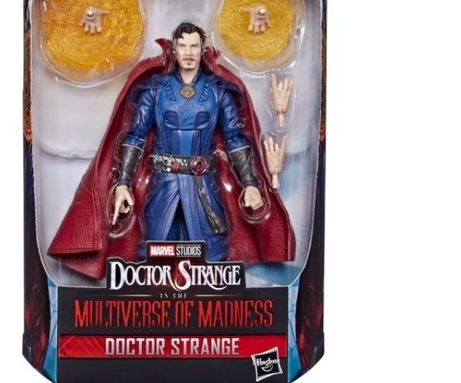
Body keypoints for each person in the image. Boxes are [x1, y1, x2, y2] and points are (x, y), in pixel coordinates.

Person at [48, 22, 294, 278]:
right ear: (174, 49)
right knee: (157, 256)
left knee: (210, 259)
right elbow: (135, 136)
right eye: (183, 46)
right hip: (163, 187)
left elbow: (235, 139)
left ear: (202, 50)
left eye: (194, 46)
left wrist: (250, 184)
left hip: (203, 187)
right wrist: (122, 184)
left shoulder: (218, 92)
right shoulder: (155, 90)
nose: (188, 52)